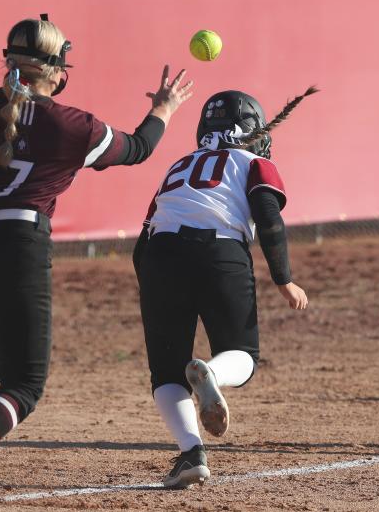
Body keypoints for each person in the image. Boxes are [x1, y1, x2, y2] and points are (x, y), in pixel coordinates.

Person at [0, 14, 193, 512]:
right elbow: (139, 148)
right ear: (58, 73)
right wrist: (164, 108)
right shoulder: (72, 125)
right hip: (18, 240)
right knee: (25, 382)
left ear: (8, 63)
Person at [133, 87, 316, 488]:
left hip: (160, 256)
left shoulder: (180, 165)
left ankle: (191, 453)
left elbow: (145, 236)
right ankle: (211, 373)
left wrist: (149, 281)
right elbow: (269, 219)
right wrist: (284, 279)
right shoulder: (253, 163)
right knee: (244, 358)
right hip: (219, 251)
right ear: (252, 129)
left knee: (165, 371)